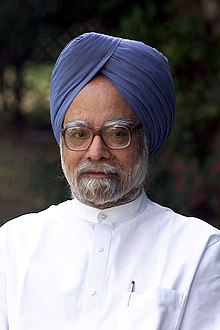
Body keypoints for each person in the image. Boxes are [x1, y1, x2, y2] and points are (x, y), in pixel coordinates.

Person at [0, 32, 219, 330]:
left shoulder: (199, 250)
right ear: (61, 140)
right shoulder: (13, 245)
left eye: (117, 133)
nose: (96, 152)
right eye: (79, 134)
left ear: (146, 138)